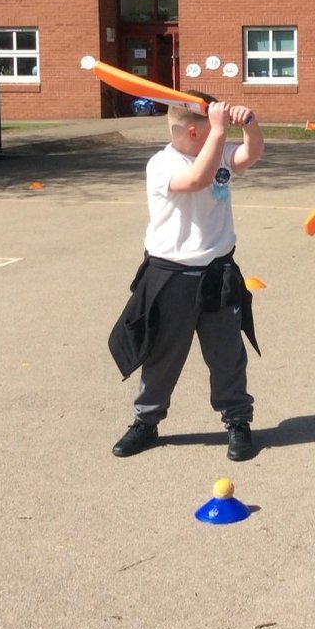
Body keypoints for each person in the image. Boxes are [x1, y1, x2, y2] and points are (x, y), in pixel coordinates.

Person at [108, 93, 265, 460]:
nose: (218, 134)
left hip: (217, 272)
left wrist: (250, 124)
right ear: (195, 132)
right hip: (172, 275)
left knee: (227, 355)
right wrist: (220, 131)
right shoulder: (161, 165)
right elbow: (196, 179)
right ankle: (145, 423)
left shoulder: (217, 150)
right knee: (162, 355)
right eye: (210, 129)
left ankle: (238, 420)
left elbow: (250, 154)